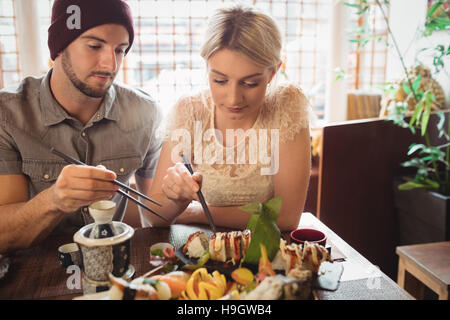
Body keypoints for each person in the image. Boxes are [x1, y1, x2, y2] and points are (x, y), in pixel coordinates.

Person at [0, 0, 161, 253]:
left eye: (120, 50)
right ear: (59, 46)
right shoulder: (9, 114)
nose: (111, 65)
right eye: (95, 46)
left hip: (115, 268)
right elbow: (4, 237)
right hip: (35, 273)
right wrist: (56, 199)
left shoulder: (145, 112)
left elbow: (156, 213)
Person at [141, 5, 312, 231]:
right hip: (201, 255)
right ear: (207, 68)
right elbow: (155, 217)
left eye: (250, 83)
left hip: (267, 254)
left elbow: (286, 217)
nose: (233, 99)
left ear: (272, 72)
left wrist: (197, 211)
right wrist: (176, 199)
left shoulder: (285, 107)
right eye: (220, 81)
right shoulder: (189, 111)